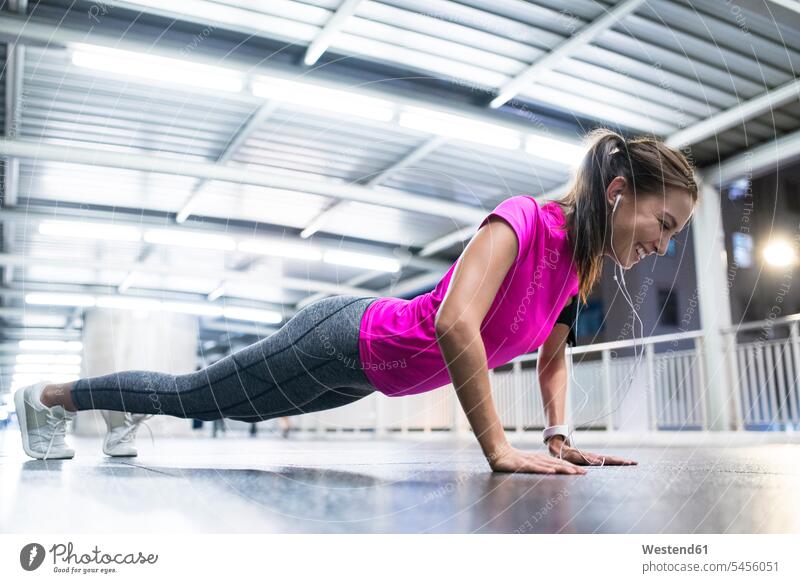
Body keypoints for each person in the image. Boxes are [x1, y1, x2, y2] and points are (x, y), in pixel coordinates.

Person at [14, 128, 697, 473]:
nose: (662, 245)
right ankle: (49, 397)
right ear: (618, 194)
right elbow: (455, 319)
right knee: (198, 394)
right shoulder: (522, 220)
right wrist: (497, 446)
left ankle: (130, 411)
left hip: (360, 377)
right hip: (341, 338)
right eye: (664, 224)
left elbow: (553, 358)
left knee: (224, 402)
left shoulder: (579, 270)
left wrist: (557, 435)